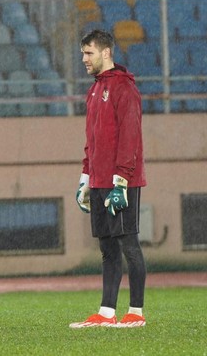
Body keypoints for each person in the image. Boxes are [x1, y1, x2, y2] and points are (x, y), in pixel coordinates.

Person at [69, 29, 147, 329]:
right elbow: (92, 140)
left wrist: (122, 181)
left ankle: (136, 312)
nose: (84, 59)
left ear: (106, 53)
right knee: (107, 249)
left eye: (88, 53)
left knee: (129, 245)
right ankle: (106, 313)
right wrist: (85, 177)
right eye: (82, 54)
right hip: (99, 180)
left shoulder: (124, 88)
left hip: (119, 181)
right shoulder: (93, 90)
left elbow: (130, 137)